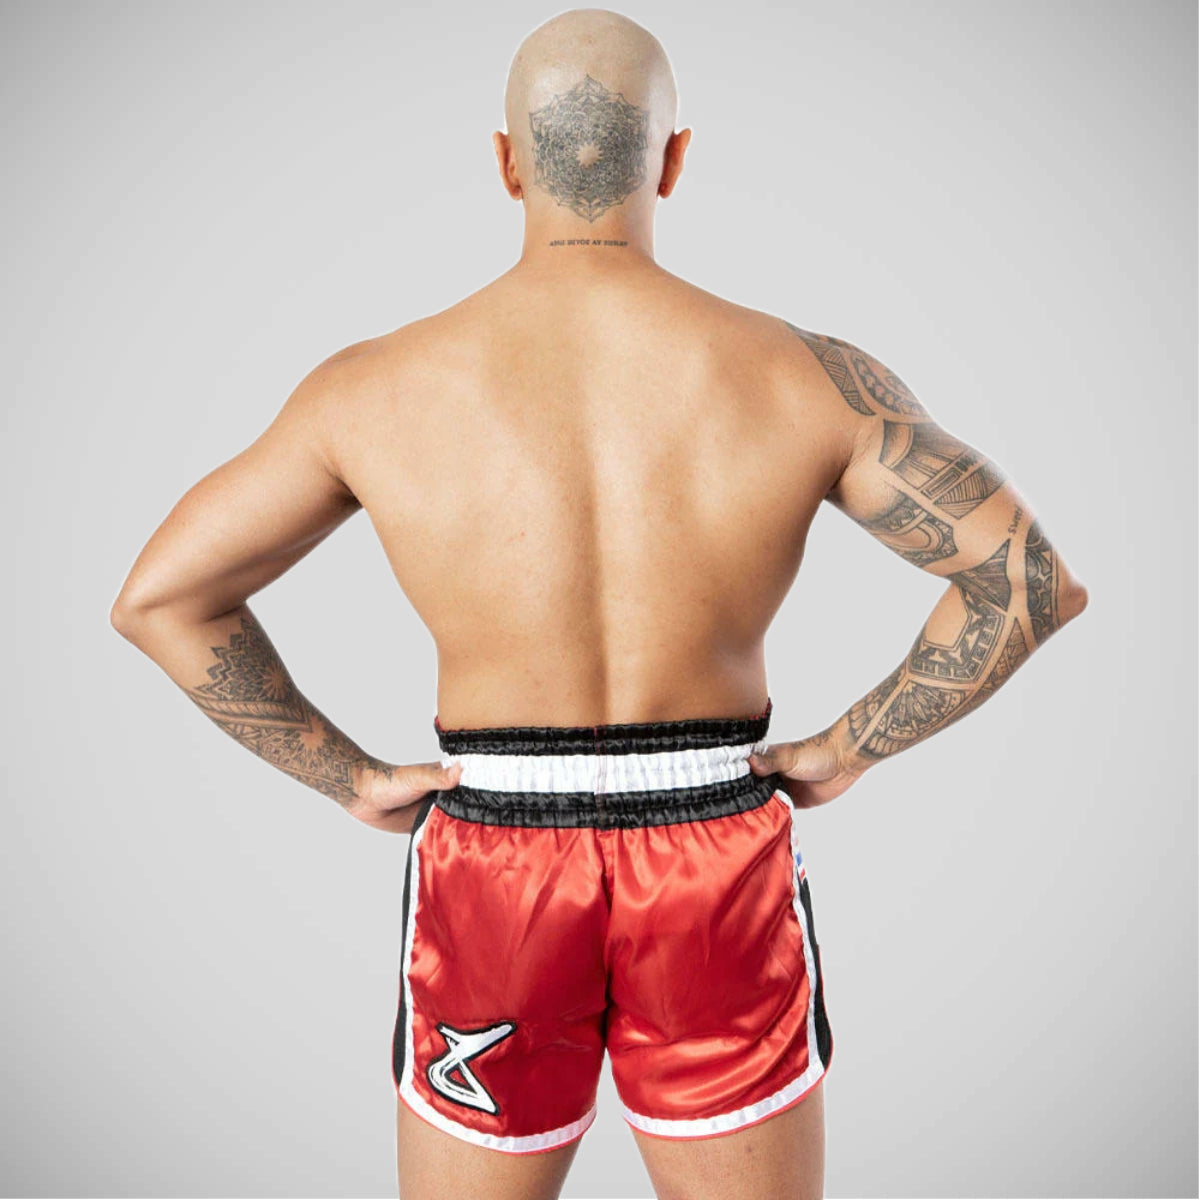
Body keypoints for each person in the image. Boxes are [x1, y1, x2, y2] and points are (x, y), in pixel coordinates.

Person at [109, 8, 1089, 1199]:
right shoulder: (804, 376)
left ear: (506, 162)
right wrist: (845, 749)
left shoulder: (371, 388)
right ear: (673, 161)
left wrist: (350, 778)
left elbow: (163, 598)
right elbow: (1027, 579)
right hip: (715, 853)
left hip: (494, 860)